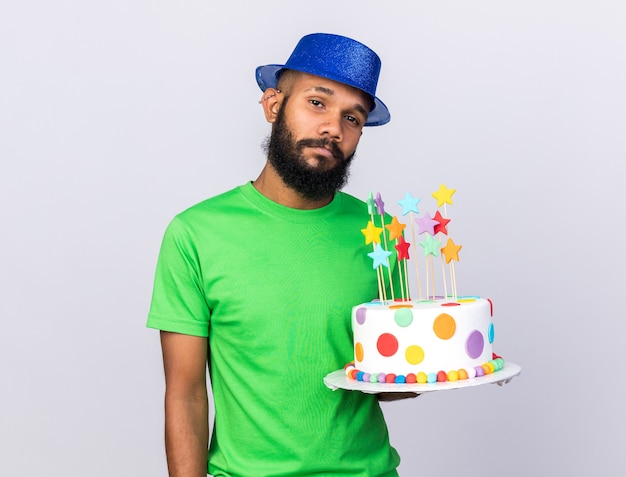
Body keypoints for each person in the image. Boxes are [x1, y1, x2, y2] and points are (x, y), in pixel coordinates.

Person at [147, 33, 407, 477]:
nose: (333, 129)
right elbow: (185, 393)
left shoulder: (380, 231)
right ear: (273, 105)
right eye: (317, 103)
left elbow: (386, 378)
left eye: (353, 118)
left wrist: (427, 368)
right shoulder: (195, 234)